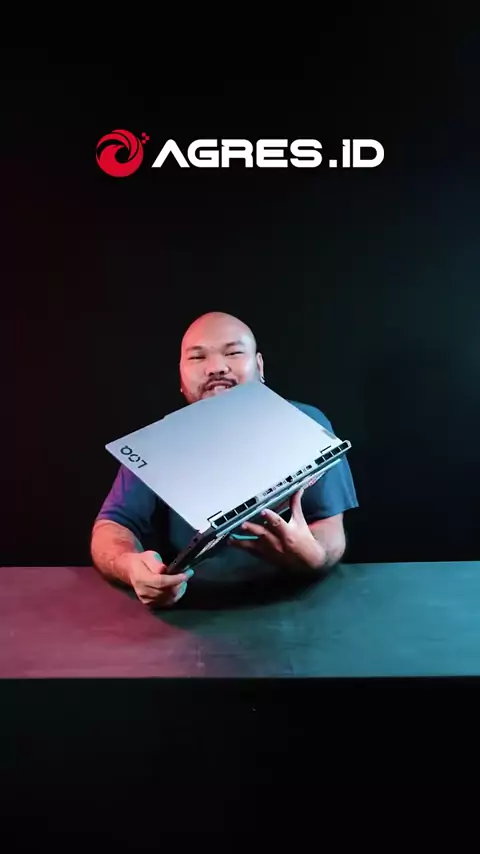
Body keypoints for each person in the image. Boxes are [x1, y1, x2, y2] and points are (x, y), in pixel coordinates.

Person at [91, 312, 358, 608]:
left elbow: (329, 527)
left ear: (259, 366)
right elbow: (112, 525)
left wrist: (316, 556)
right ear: (181, 377)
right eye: (197, 357)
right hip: (194, 609)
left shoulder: (305, 423)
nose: (216, 367)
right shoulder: (155, 445)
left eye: (233, 353)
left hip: (295, 607)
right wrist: (130, 566)